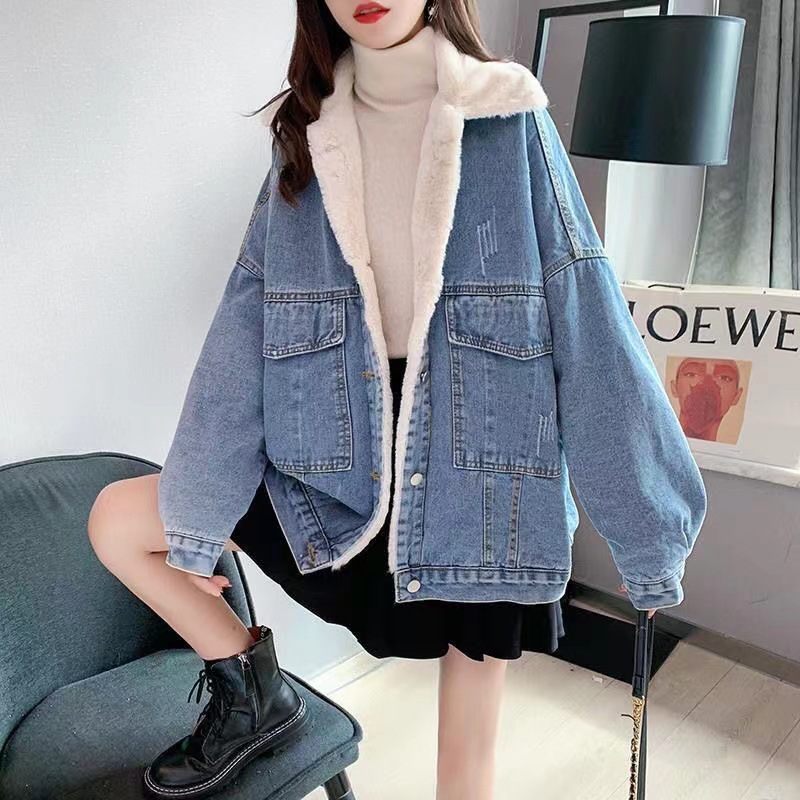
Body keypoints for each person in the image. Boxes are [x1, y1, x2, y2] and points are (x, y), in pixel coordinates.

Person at [88, 1, 700, 798]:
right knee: (117, 520)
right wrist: (200, 520)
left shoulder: (506, 117)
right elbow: (243, 330)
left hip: (480, 473)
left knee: (464, 775)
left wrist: (648, 534)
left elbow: (589, 314)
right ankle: (254, 700)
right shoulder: (305, 136)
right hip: (335, 468)